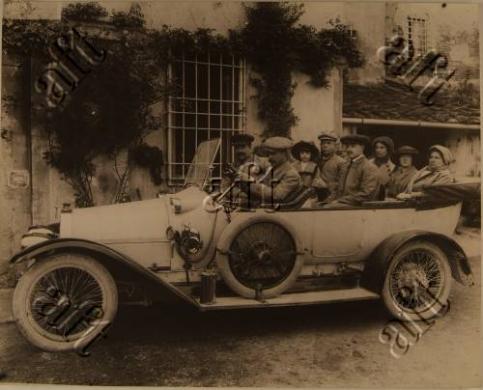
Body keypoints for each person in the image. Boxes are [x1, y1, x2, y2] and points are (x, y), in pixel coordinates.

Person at [243, 136, 302, 205]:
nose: (269, 158)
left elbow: (276, 196)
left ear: (284, 154)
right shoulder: (273, 170)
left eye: (273, 153)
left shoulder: (291, 175)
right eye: (268, 154)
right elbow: (262, 187)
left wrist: (250, 183)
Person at [325, 134, 379, 207]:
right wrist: (329, 200)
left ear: (362, 147)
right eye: (347, 146)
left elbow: (367, 194)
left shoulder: (369, 167)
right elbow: (337, 188)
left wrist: (339, 201)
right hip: (343, 204)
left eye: (353, 146)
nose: (348, 149)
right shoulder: (345, 166)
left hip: (358, 207)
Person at [317, 131, 345, 201]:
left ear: (335, 146)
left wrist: (326, 185)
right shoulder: (317, 160)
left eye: (329, 143)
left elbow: (342, 184)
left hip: (333, 197)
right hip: (317, 196)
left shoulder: (341, 162)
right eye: (323, 143)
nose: (325, 146)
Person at [369, 136, 396, 200]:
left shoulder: (393, 167)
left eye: (382, 148)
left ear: (388, 150)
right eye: (376, 147)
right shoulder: (368, 164)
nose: (378, 150)